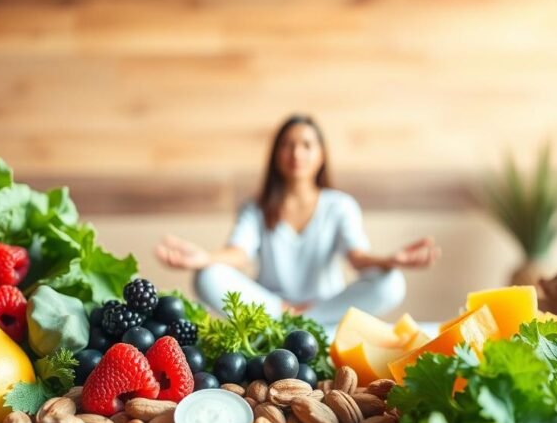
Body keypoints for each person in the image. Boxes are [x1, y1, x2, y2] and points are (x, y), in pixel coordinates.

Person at [155, 114, 440, 324]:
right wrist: (205, 258)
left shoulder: (340, 205)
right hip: (271, 308)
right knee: (207, 275)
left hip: (326, 306)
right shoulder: (256, 207)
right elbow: (238, 253)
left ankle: (309, 320)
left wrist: (391, 260)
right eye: (287, 145)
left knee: (392, 283)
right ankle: (294, 321)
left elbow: (357, 258)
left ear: (321, 155)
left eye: (306, 145)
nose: (296, 153)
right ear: (276, 155)